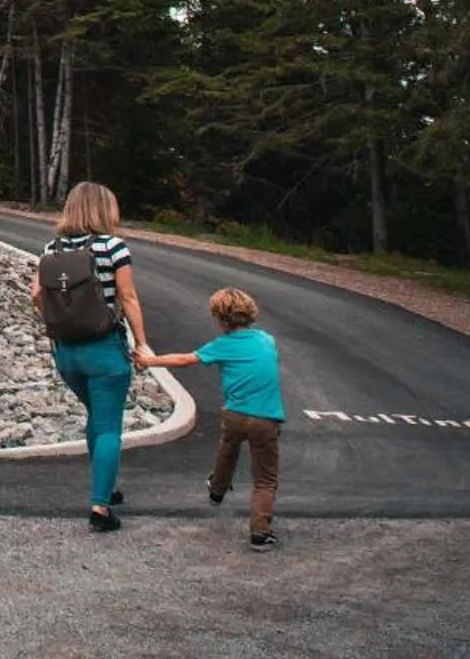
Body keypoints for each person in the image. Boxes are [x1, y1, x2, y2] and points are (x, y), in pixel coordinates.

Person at [32, 181, 152, 532]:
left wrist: (64, 320)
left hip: (67, 353)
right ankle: (100, 506)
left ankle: (108, 486)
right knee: (109, 424)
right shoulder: (114, 247)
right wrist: (142, 343)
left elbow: (38, 296)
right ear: (104, 209)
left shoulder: (51, 248)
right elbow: (128, 299)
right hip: (104, 351)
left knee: (96, 418)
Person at [138, 287, 285, 551]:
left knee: (228, 448)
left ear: (220, 320)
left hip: (235, 414)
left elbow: (185, 359)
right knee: (264, 478)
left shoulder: (221, 345)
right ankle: (260, 532)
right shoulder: (267, 340)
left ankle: (217, 487)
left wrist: (150, 361)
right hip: (266, 418)